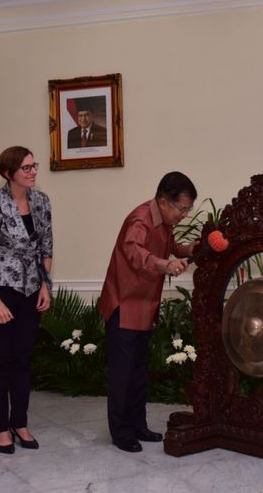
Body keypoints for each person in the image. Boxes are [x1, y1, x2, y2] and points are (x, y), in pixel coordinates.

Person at [98, 171, 198, 453]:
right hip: (124, 306)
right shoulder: (140, 219)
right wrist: (163, 265)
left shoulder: (164, 223)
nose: (184, 215)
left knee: (139, 372)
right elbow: (133, 250)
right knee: (122, 375)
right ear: (164, 202)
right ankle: (121, 433)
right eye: (182, 208)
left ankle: (138, 425)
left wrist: (193, 248)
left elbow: (172, 247)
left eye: (188, 209)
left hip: (144, 307)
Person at [0, 146, 53, 455]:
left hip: (32, 290)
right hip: (1, 290)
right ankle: (0, 428)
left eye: (34, 166)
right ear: (8, 173)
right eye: (26, 168)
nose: (33, 172)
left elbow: (47, 246)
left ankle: (19, 422)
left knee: (23, 360)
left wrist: (45, 287)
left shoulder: (42, 201)